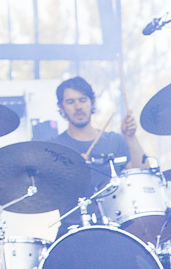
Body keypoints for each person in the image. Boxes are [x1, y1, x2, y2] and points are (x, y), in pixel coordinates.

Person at [50, 76, 145, 232]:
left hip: (117, 228)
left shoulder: (114, 140)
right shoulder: (54, 148)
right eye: (70, 102)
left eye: (82, 100)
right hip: (72, 230)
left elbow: (142, 173)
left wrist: (130, 137)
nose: (78, 106)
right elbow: (47, 191)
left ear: (92, 102)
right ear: (61, 107)